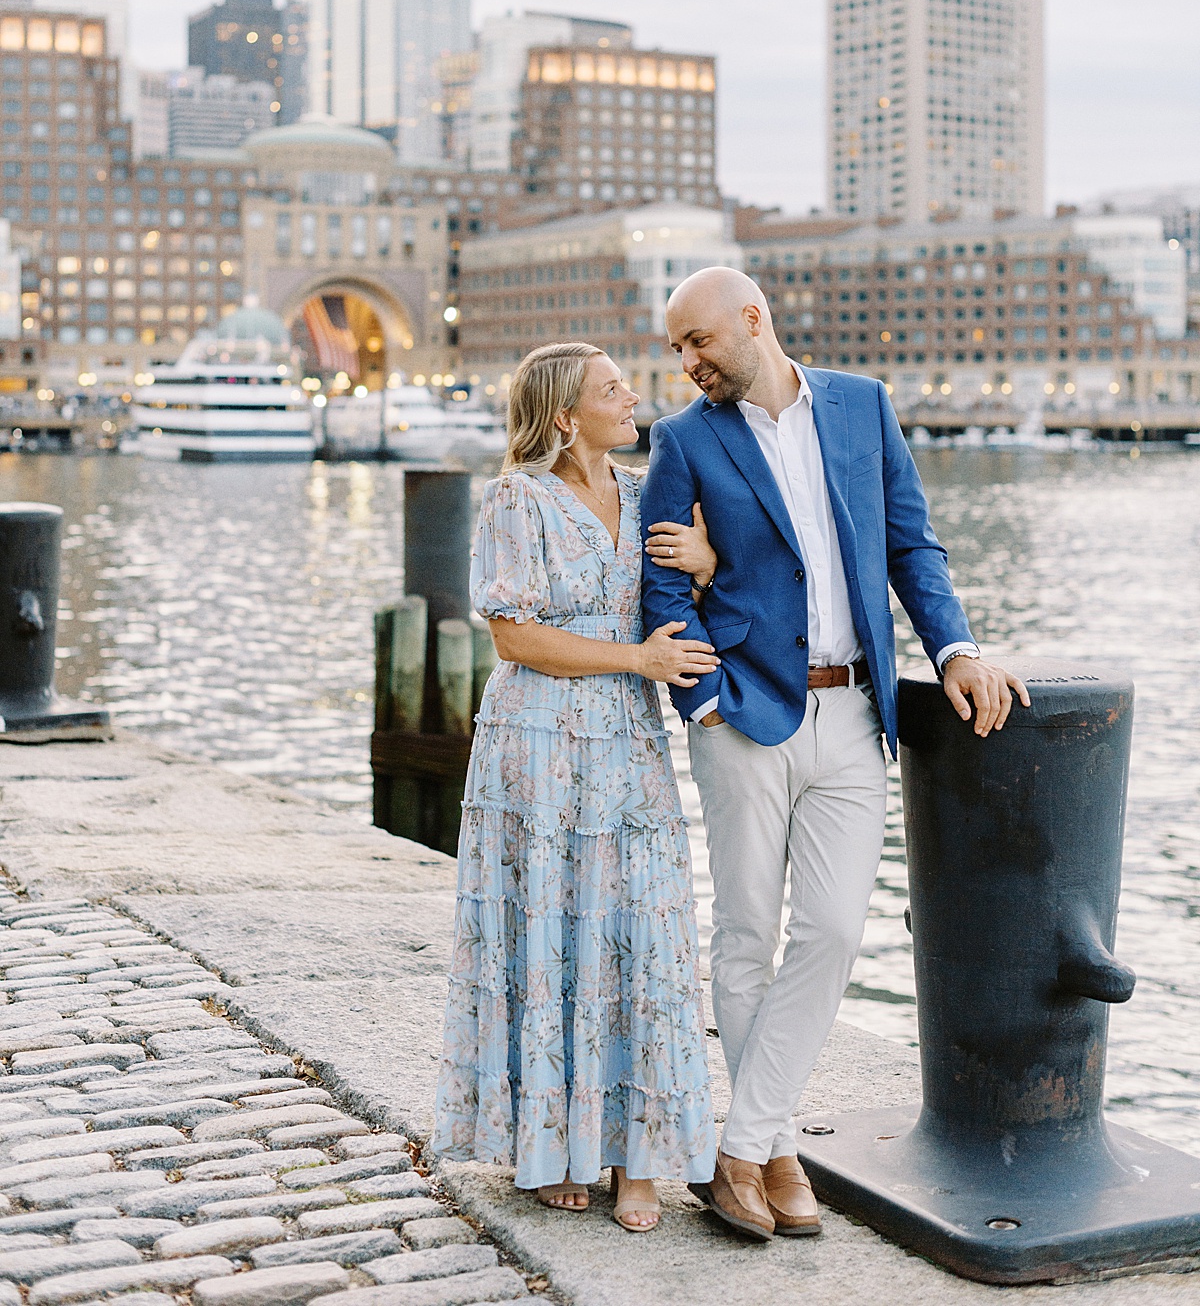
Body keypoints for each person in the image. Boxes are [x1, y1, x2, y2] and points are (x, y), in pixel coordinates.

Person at [640, 269, 1029, 1243]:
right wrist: (704, 700)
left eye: (697, 342)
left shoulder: (863, 406)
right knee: (744, 934)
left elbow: (914, 548)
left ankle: (739, 1145)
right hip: (742, 718)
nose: (687, 364)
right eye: (675, 349)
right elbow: (661, 585)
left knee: (833, 933)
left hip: (856, 713)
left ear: (753, 321)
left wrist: (958, 651)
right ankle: (770, 1153)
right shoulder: (686, 440)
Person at [431, 342, 718, 1233]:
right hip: (537, 743)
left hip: (627, 742)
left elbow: (690, 589)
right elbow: (514, 638)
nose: (633, 395)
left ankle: (641, 1156)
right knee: (549, 925)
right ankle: (554, 1142)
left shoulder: (642, 496)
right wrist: (638, 657)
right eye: (611, 388)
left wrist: (706, 563)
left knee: (643, 928)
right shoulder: (516, 498)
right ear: (565, 415)